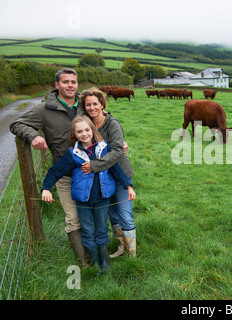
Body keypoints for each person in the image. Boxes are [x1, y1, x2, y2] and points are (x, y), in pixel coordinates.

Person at [9, 68, 88, 266]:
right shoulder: (44, 109)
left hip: (91, 172)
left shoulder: (85, 105)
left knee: (93, 213)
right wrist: (33, 135)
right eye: (65, 82)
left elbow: (105, 120)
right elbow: (17, 124)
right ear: (57, 85)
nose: (70, 85)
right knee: (72, 217)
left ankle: (96, 253)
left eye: (73, 82)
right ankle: (83, 261)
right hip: (64, 173)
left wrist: (119, 139)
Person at [40, 115, 136, 274]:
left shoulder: (104, 149)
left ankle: (104, 263)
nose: (84, 134)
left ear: (92, 130)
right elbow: (55, 171)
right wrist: (46, 188)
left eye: (86, 130)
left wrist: (128, 186)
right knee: (88, 230)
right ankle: (95, 264)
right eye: (79, 131)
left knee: (101, 229)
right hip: (83, 201)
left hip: (102, 199)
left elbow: (116, 169)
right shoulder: (74, 154)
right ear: (74, 135)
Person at [79, 88, 137, 257]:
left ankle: (132, 255)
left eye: (95, 104)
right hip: (103, 179)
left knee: (125, 214)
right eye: (88, 105)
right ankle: (121, 248)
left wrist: (95, 165)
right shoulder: (86, 125)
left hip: (120, 175)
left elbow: (118, 150)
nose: (91, 108)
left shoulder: (112, 123)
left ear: (102, 104)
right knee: (113, 215)